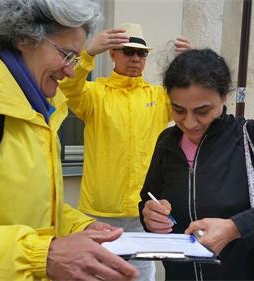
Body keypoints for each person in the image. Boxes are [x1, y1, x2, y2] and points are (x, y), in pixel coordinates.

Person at [0, 1, 139, 280]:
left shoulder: (40, 113)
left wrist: (81, 228)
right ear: (23, 37)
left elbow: (32, 210)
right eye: (67, 55)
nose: (71, 71)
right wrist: (42, 255)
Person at [139, 49, 254, 280]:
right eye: (178, 110)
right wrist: (150, 216)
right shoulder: (167, 142)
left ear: (224, 97)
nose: (189, 122)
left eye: (202, 111)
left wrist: (234, 228)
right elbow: (148, 201)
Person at [59, 23, 191, 280]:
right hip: (100, 208)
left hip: (145, 208)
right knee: (97, 272)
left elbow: (191, 100)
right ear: (113, 54)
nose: (135, 58)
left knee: (139, 273)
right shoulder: (95, 93)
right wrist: (87, 54)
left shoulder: (158, 95)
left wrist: (191, 64)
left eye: (141, 53)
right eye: (128, 51)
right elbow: (67, 88)